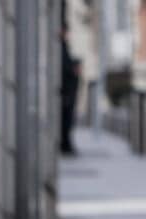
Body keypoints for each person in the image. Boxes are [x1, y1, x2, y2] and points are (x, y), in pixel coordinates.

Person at [60, 26, 82, 156]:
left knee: (68, 122)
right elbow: (65, 68)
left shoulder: (64, 47)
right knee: (66, 121)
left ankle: (66, 145)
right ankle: (65, 146)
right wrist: (73, 70)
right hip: (66, 93)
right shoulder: (61, 48)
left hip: (68, 92)